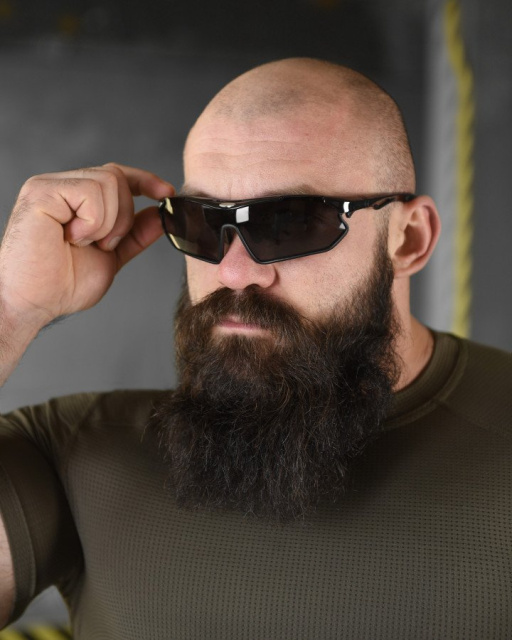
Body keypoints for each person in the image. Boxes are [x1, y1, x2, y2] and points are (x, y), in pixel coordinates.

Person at [0, 57, 511, 639]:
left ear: (409, 238)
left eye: (291, 223)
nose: (234, 272)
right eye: (200, 221)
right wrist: (11, 308)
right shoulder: (80, 453)